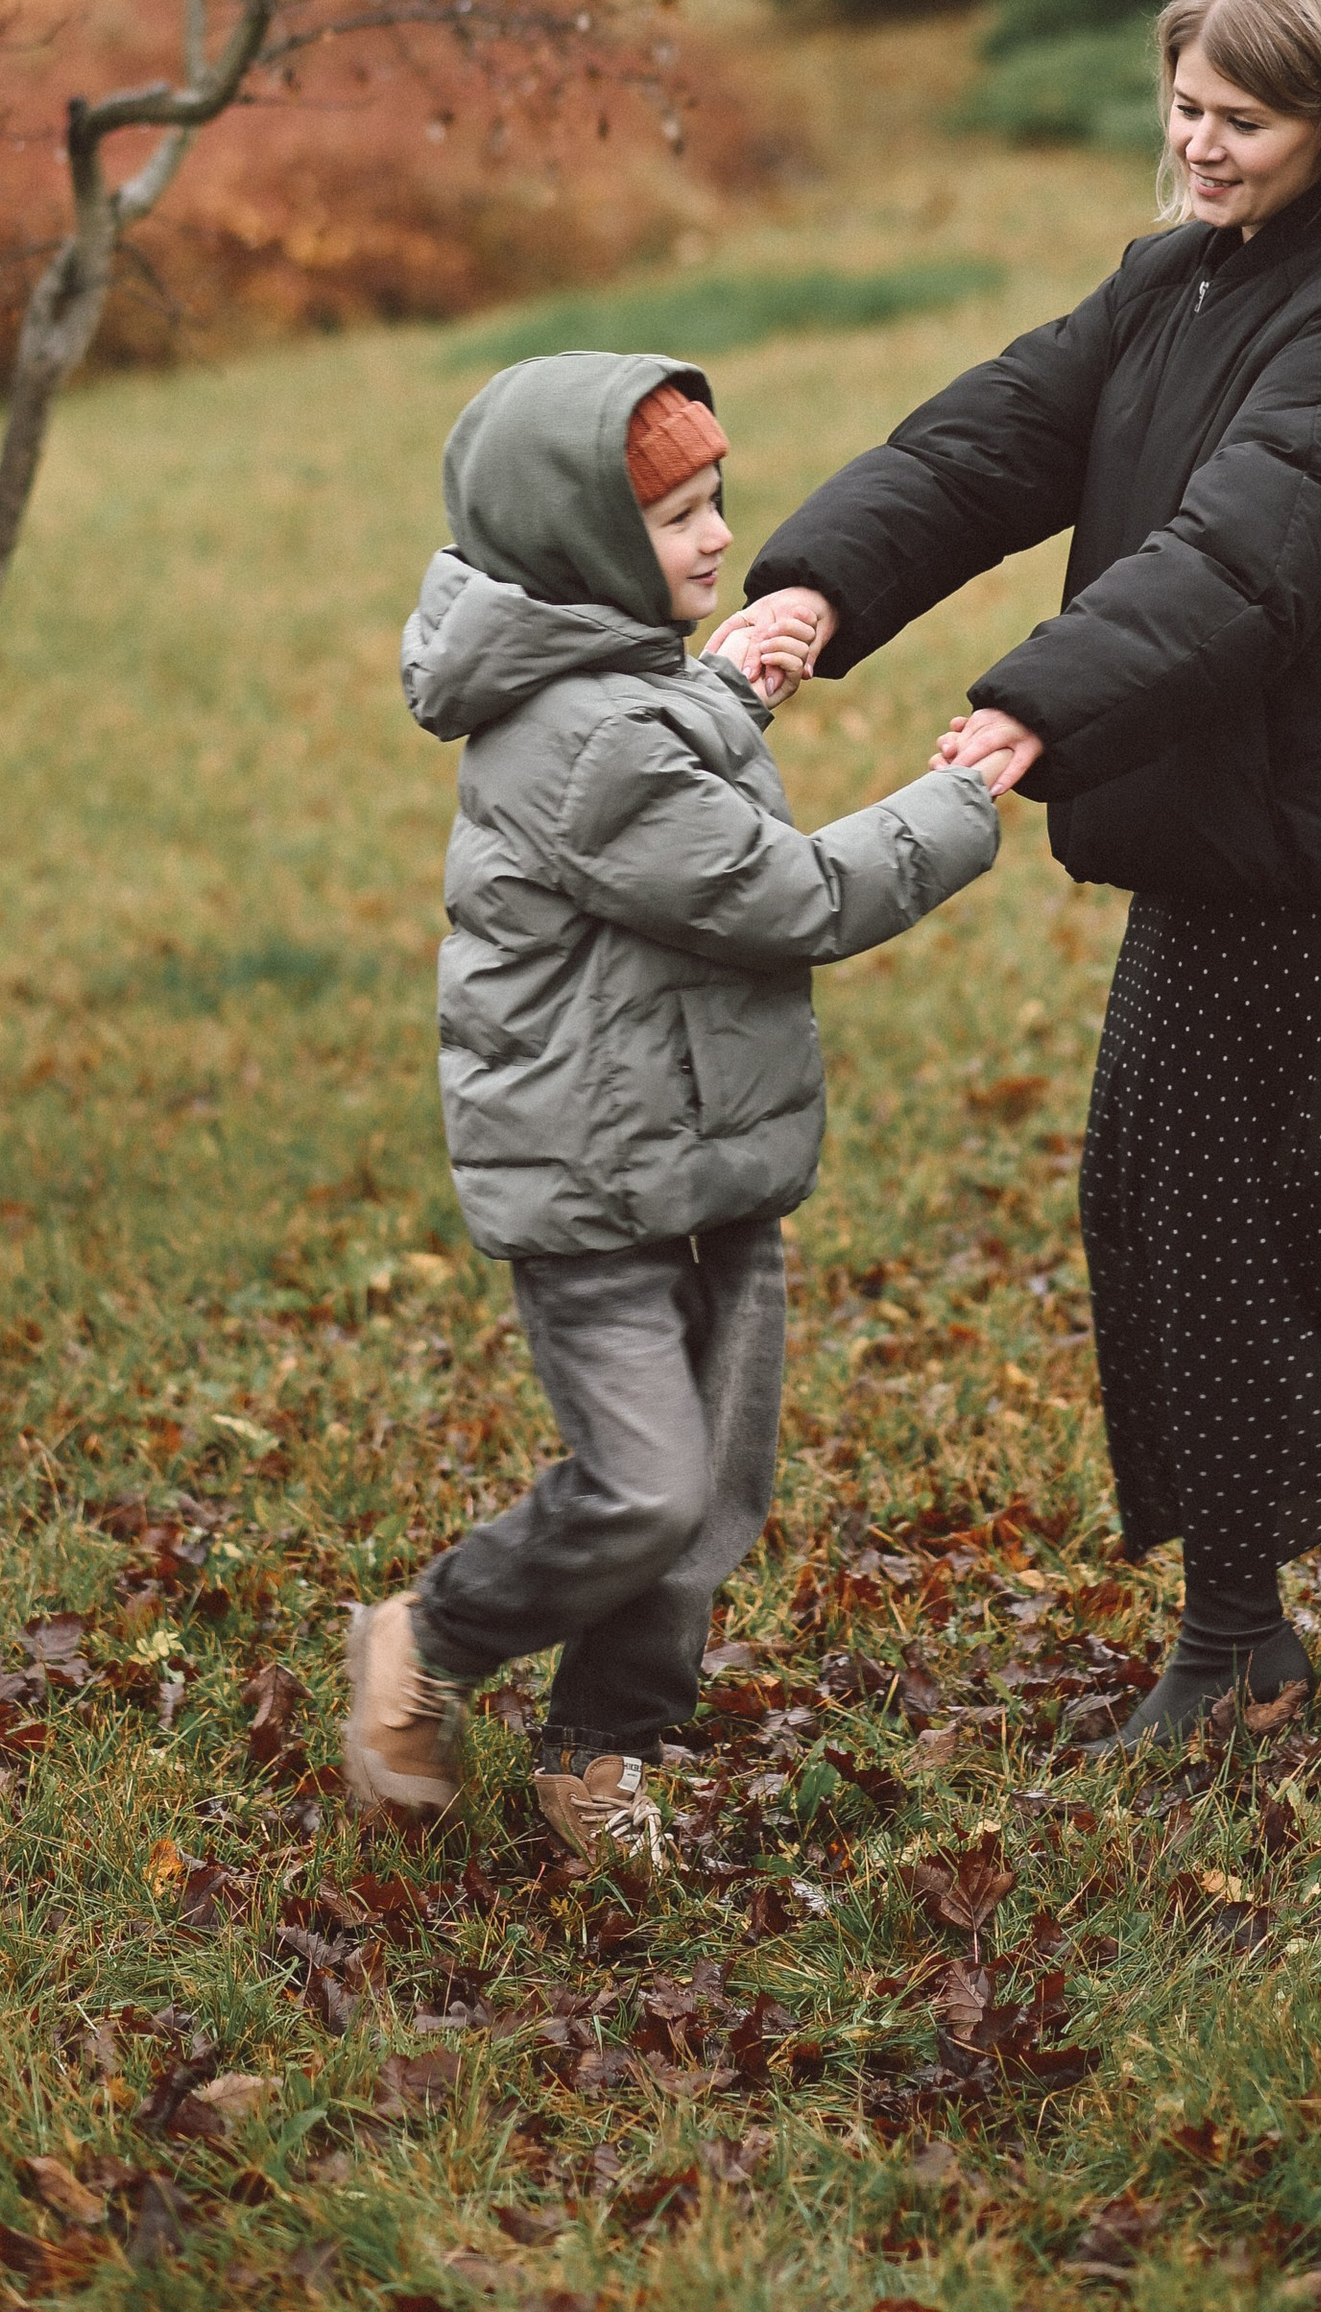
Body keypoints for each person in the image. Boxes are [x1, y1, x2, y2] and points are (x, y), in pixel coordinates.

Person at [726, 0, 1321, 1748]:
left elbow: (1250, 551)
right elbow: (988, 443)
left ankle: (1244, 1635)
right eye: (1188, 105)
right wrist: (816, 592)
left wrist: (1041, 704)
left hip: (1308, 835)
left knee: (1209, 1222)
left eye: (1244, 118)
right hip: (1212, 814)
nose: (1200, 144)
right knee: (1177, 1206)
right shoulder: (1173, 280)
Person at [343, 350, 1001, 1868]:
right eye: (676, 519)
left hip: (706, 1163)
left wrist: (729, 681)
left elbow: (653, 750)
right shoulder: (589, 742)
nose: (716, 540)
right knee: (645, 1489)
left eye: (718, 503)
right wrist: (956, 803)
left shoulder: (614, 685)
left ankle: (598, 1757)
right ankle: (430, 1638)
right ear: (579, 545)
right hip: (598, 1187)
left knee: (711, 1501)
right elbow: (787, 893)